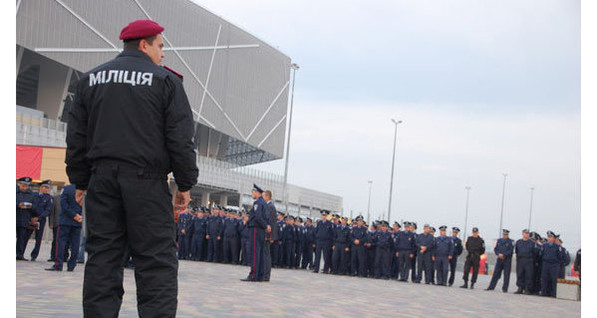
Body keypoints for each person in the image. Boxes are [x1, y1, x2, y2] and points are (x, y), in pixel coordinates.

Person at [65, 19, 198, 317]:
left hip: (102, 182)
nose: (163, 54)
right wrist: (185, 183)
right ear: (144, 44)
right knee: (156, 263)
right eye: (160, 46)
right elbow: (180, 139)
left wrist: (80, 180)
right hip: (147, 183)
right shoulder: (165, 81)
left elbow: (76, 137)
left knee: (103, 259)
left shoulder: (90, 80)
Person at [46, 184, 83, 272]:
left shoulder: (67, 188)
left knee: (61, 242)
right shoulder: (84, 189)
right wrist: (79, 216)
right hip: (78, 220)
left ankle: (58, 264)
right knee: (75, 244)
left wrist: (73, 215)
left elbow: (63, 203)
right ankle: (72, 265)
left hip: (66, 220)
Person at [241, 184, 269, 282]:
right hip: (260, 230)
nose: (252, 194)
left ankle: (253, 275)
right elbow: (266, 217)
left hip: (256, 229)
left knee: (254, 253)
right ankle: (260, 275)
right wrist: (266, 226)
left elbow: (258, 217)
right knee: (260, 253)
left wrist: (265, 225)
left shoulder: (258, 203)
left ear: (257, 193)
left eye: (253, 192)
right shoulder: (264, 203)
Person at [28, 180, 53, 261]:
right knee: (25, 236)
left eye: (47, 188)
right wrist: (32, 217)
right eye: (45, 187)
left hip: (40, 220)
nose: (46, 189)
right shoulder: (34, 195)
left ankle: (34, 255)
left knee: (38, 239)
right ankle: (20, 253)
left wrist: (38, 218)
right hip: (31, 219)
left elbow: (48, 210)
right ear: (41, 187)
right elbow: (30, 206)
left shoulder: (49, 198)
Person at [16, 176, 37, 261]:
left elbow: (35, 207)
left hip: (24, 219)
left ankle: (20, 255)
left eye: (26, 186)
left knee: (22, 238)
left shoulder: (31, 194)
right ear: (19, 184)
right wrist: (17, 205)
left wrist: (31, 207)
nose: (25, 187)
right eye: (23, 185)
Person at [514, 229, 538, 294]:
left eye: (527, 233)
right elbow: (516, 251)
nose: (526, 234)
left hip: (529, 260)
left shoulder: (532, 243)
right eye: (525, 233)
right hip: (520, 260)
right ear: (523, 234)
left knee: (528, 275)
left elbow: (535, 253)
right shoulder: (518, 242)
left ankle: (527, 289)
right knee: (520, 274)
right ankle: (520, 288)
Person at [540, 231, 564, 297]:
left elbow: (560, 256)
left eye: (551, 237)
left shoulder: (557, 246)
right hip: (545, 264)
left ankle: (553, 293)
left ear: (553, 238)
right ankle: (544, 292)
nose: (549, 238)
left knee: (553, 279)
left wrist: (556, 263)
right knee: (544, 278)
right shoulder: (544, 245)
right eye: (548, 237)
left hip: (554, 265)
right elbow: (541, 254)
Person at [263, 190, 278, 281]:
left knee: (266, 255)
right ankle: (264, 273)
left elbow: (272, 223)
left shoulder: (270, 207)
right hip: (266, 234)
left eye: (263, 196)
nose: (262, 198)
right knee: (265, 255)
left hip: (267, 235)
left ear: (267, 196)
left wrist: (269, 236)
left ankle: (266, 275)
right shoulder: (268, 206)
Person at [48, 191, 64, 262]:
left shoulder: (71, 197)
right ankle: (53, 256)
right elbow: (52, 212)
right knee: (55, 241)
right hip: (56, 223)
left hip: (66, 223)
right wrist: (51, 223)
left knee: (65, 242)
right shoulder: (55, 198)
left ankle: (64, 256)